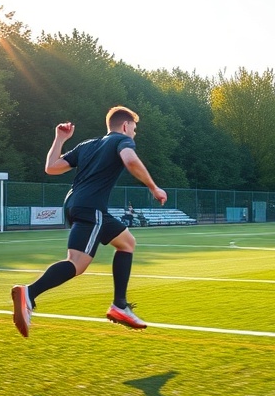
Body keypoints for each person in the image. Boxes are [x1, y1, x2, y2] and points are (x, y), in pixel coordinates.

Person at [11, 105, 167, 338]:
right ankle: (29, 293)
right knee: (77, 263)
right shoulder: (121, 142)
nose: (134, 133)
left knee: (127, 242)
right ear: (125, 126)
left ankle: (119, 305)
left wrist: (59, 138)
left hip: (77, 205)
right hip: (90, 207)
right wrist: (153, 187)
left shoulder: (87, 145)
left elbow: (51, 168)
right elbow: (131, 161)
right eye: (134, 128)